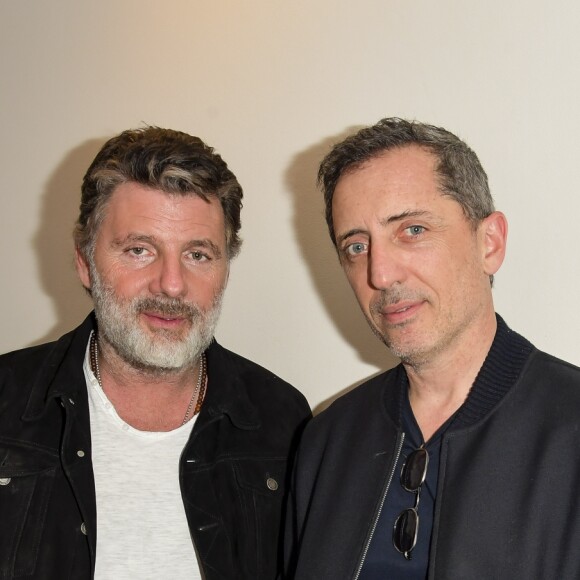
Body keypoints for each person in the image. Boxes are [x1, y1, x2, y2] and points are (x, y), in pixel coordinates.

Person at [0, 127, 310, 580]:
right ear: (85, 262)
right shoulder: (7, 405)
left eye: (198, 255)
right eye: (140, 250)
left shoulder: (284, 424)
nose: (171, 284)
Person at [285, 118, 580, 579]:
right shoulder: (326, 442)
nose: (380, 274)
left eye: (412, 230)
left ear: (490, 243)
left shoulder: (569, 429)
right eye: (357, 246)